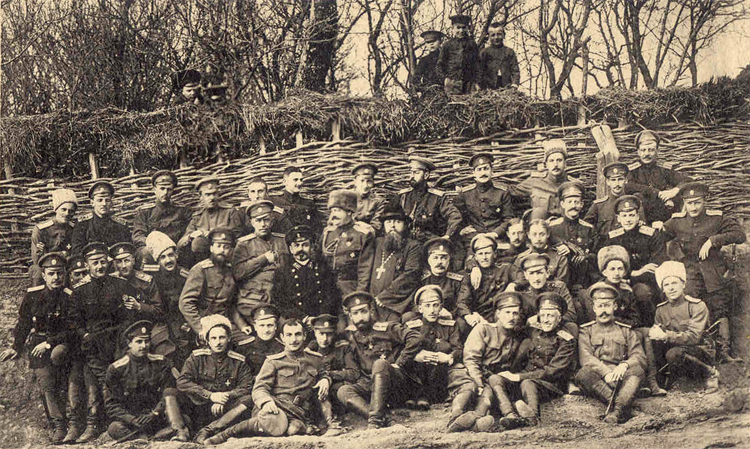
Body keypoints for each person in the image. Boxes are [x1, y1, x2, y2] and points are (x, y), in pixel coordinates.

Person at [204, 319, 334, 443]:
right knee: (274, 422)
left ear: (305, 336)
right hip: (275, 406)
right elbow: (259, 388)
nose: (293, 339)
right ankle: (224, 435)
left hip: (298, 411)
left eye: (298, 334)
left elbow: (324, 373)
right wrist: (266, 401)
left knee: (294, 429)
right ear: (282, 338)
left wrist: (325, 380)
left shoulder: (315, 359)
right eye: (289, 335)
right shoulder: (273, 361)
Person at [0, 253, 82, 444]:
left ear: (65, 275)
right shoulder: (33, 295)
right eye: (51, 273)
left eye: (60, 273)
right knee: (45, 381)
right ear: (43, 275)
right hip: (38, 345)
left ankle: (72, 422)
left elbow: (72, 329)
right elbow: (24, 323)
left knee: (59, 361)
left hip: (62, 344)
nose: (56, 278)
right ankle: (58, 425)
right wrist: (16, 347)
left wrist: (48, 343)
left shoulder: (70, 297)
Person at [661, 182, 746, 363]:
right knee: (688, 305)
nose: (693, 207)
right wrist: (675, 254)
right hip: (690, 272)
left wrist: (713, 240)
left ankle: (724, 352)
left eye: (697, 202)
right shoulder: (677, 220)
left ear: (704, 201)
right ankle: (693, 351)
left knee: (719, 307)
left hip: (713, 270)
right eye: (689, 203)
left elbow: (740, 235)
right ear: (684, 202)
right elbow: (661, 236)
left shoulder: (716, 218)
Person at [69, 242, 142, 443]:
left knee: (121, 379)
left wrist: (123, 342)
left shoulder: (120, 285)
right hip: (93, 346)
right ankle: (98, 425)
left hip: (117, 342)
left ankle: (121, 423)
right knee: (101, 381)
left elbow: (128, 317)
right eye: (95, 263)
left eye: (102, 261)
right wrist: (85, 336)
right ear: (86, 265)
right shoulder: (80, 290)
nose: (100, 266)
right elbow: (74, 321)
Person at [336, 291, 422, 428]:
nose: (360, 318)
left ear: (371, 311)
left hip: (396, 386)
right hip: (371, 386)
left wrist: (399, 363)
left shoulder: (387, 328)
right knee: (343, 391)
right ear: (350, 316)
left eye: (363, 311)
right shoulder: (351, 337)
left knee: (380, 364)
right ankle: (386, 418)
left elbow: (415, 337)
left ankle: (374, 421)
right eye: (356, 314)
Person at [590, 246, 666, 397]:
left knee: (646, 333)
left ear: (625, 272)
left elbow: (635, 318)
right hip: (602, 332)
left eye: (620, 269)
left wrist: (623, 326)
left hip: (625, 330)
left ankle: (651, 382)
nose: (616, 273)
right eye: (612, 269)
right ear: (604, 272)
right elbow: (595, 318)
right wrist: (619, 323)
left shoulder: (627, 291)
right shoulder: (596, 291)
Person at [103, 320, 189, 442]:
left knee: (185, 419)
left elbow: (169, 392)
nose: (144, 346)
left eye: (146, 341)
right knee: (114, 428)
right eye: (139, 342)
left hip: (157, 416)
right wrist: (131, 419)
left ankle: (151, 437)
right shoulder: (116, 369)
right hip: (134, 421)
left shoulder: (161, 362)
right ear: (129, 344)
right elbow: (111, 405)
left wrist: (155, 413)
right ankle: (152, 437)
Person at [454, 292, 527, 432]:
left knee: (492, 387)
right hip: (482, 380)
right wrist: (479, 383)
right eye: (507, 312)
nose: (511, 317)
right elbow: (471, 359)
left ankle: (475, 421)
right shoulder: (484, 330)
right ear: (498, 313)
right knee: (487, 392)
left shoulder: (519, 336)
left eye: (515, 313)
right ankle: (506, 415)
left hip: (503, 383)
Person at [575, 283, 646, 424]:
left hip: (622, 377)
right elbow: (586, 357)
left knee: (637, 370)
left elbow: (639, 355)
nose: (603, 311)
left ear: (615, 307)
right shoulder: (586, 331)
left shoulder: (626, 330)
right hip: (600, 378)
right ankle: (623, 409)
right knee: (583, 373)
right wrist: (606, 373)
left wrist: (624, 365)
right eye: (600, 306)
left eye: (607, 306)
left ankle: (616, 412)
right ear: (594, 308)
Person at [177, 315, 253, 443]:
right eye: (214, 338)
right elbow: (182, 381)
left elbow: (246, 387)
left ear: (229, 338)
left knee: (248, 400)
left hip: (226, 410)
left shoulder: (238, 361)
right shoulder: (196, 358)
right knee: (174, 394)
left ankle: (209, 430)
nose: (218, 342)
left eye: (222, 337)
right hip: (200, 406)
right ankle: (181, 431)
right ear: (207, 340)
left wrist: (225, 396)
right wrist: (210, 395)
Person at [510, 292, 577, 428]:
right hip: (525, 379)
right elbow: (515, 329)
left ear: (559, 318)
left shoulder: (566, 338)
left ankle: (533, 419)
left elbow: (553, 371)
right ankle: (509, 416)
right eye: (543, 315)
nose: (546, 320)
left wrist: (519, 376)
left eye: (551, 316)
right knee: (497, 380)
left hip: (550, 385)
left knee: (527, 383)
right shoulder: (533, 330)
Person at [649, 261, 717, 392]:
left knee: (673, 354)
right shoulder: (661, 310)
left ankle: (710, 372)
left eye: (674, 283)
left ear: (683, 284)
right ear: (663, 289)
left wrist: (666, 335)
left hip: (699, 349)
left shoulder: (697, 306)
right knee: (653, 343)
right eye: (666, 284)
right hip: (677, 350)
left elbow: (694, 338)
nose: (671, 288)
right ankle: (659, 381)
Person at [604, 195, 668, 325]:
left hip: (645, 283)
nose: (628, 220)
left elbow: (655, 267)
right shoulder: (612, 238)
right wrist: (636, 273)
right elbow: (606, 265)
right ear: (618, 218)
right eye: (624, 216)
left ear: (638, 216)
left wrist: (630, 277)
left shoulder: (651, 235)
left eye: (632, 215)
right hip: (617, 281)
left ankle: (647, 327)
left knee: (642, 293)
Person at [232, 200, 289, 338]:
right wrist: (262, 259)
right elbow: (238, 273)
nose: (263, 224)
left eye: (266, 220)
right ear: (251, 222)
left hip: (279, 299)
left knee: (288, 330)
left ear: (272, 221)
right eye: (258, 220)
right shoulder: (243, 244)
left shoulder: (283, 241)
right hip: (253, 301)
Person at [404, 285, 464, 409]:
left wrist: (448, 357)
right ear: (420, 308)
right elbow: (401, 349)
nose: (432, 310)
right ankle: (415, 395)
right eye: (427, 306)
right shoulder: (412, 327)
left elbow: (458, 349)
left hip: (439, 375)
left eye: (436, 305)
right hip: (417, 373)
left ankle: (427, 396)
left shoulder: (450, 326)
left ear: (441, 307)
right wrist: (416, 356)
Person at [454, 152, 513, 268]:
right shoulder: (465, 194)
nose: (483, 173)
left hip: (496, 237)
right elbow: (456, 216)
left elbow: (508, 218)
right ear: (474, 174)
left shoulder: (502, 192)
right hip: (473, 237)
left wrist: (495, 233)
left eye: (486, 169)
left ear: (492, 171)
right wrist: (462, 229)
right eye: (479, 170)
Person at [271, 225, 341, 320]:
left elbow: (331, 297)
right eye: (296, 245)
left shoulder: (323, 269)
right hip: (296, 320)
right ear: (291, 249)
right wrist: (304, 318)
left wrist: (319, 317)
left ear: (311, 247)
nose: (300, 249)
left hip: (322, 319)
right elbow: (281, 302)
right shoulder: (282, 272)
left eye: (305, 245)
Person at [365, 201, 422, 317]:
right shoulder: (376, 243)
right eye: (389, 222)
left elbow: (410, 275)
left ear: (405, 225)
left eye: (398, 221)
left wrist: (384, 297)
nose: (393, 225)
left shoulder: (412, 246)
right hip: (371, 301)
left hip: (396, 302)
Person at [178, 228, 237, 339]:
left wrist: (242, 325)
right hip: (205, 322)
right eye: (218, 246)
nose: (222, 250)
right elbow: (185, 303)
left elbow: (231, 304)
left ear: (230, 251)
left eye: (226, 247)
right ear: (211, 248)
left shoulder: (230, 270)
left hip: (226, 323)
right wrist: (200, 328)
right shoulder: (200, 269)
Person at [627, 130, 693, 222]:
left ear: (657, 151)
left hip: (664, 216)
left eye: (651, 150)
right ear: (638, 152)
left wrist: (674, 190)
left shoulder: (664, 169)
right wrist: (655, 192)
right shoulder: (633, 170)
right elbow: (629, 186)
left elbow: (688, 181)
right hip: (641, 218)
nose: (646, 154)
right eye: (643, 150)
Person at [144, 231, 191, 361]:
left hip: (181, 319)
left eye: (171, 255)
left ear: (176, 255)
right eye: (163, 257)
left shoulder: (186, 276)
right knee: (162, 348)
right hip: (160, 320)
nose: (168, 260)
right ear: (157, 261)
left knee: (184, 348)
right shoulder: (152, 276)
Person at [306, 314, 358, 428]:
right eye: (321, 334)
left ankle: (332, 421)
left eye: (329, 334)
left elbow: (353, 373)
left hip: (336, 393)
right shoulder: (310, 349)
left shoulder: (343, 348)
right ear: (314, 333)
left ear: (334, 333)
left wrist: (329, 376)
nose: (325, 339)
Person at [177, 177, 244, 263]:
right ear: (201, 197)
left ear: (218, 194)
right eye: (208, 195)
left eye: (214, 194)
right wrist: (191, 236)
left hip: (226, 258)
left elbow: (237, 237)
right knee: (197, 243)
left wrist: (213, 233)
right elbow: (180, 244)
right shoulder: (197, 217)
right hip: (203, 262)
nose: (212, 198)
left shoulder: (230, 212)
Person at [398, 155, 462, 245]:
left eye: (416, 173)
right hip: (405, 243)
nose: (412, 176)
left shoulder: (437, 197)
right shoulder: (403, 196)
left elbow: (454, 216)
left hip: (428, 243)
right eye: (411, 172)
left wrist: (447, 235)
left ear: (426, 175)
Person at [132, 170, 192, 265]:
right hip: (153, 250)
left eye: (169, 189)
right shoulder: (144, 212)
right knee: (144, 253)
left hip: (176, 250)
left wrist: (184, 240)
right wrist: (154, 245)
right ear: (154, 189)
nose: (165, 192)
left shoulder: (181, 210)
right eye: (162, 188)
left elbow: (191, 228)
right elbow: (138, 235)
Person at [321, 189, 374, 295]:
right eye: (332, 211)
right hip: (326, 289)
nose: (333, 215)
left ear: (350, 212)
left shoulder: (363, 234)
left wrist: (359, 294)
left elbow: (365, 269)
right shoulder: (328, 232)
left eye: (338, 211)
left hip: (350, 289)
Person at [410, 237, 469, 332]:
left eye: (444, 258)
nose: (439, 262)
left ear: (449, 260)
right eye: (435, 258)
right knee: (408, 318)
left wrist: (449, 313)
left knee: (461, 324)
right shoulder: (421, 280)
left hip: (449, 318)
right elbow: (413, 304)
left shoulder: (457, 280)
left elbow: (461, 303)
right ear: (429, 261)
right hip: (426, 318)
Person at [510, 139, 575, 220]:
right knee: (539, 212)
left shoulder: (572, 185)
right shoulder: (534, 181)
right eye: (551, 161)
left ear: (565, 163)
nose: (555, 164)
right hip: (539, 228)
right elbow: (512, 191)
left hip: (563, 228)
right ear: (546, 164)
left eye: (559, 160)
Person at [457, 234, 514, 324]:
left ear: (494, 254)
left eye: (487, 253)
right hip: (479, 317)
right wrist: (468, 316)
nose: (484, 257)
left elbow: (522, 277)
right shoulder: (469, 275)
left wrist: (513, 285)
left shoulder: (505, 268)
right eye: (480, 254)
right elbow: (462, 302)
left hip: (500, 315)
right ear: (475, 257)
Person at [549, 181, 597, 289]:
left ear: (582, 204)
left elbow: (595, 254)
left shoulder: (589, 228)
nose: (573, 206)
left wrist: (585, 256)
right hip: (558, 281)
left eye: (576, 202)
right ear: (562, 204)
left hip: (583, 282)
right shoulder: (552, 228)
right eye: (569, 202)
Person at [511, 252, 578, 325]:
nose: (536, 278)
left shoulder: (559, 288)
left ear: (547, 273)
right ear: (526, 275)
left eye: (540, 273)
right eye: (531, 273)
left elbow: (571, 315)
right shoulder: (521, 293)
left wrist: (539, 318)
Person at [584, 162, 646, 240]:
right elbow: (585, 229)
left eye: (620, 179)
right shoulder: (598, 206)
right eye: (613, 180)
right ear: (608, 182)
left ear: (626, 180)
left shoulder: (635, 203)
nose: (617, 184)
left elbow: (643, 227)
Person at [29, 188, 77, 285]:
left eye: (71, 211)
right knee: (37, 271)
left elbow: (76, 253)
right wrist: (62, 254)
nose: (67, 214)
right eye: (63, 209)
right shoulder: (41, 229)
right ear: (56, 209)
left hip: (67, 266)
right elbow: (37, 259)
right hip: (48, 267)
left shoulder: (75, 229)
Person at [71, 181, 131, 256]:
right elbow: (77, 250)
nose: (104, 204)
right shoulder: (82, 224)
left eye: (107, 200)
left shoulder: (121, 225)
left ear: (111, 203)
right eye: (100, 200)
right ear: (92, 203)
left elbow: (127, 249)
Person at [110, 242, 164, 324]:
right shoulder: (111, 281)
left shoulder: (146, 281)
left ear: (133, 261)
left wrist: (139, 306)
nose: (123, 266)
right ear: (114, 264)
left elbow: (159, 310)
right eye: (119, 262)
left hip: (144, 322)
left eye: (127, 261)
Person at [512, 219, 569, 286]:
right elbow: (519, 282)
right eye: (534, 234)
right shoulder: (521, 259)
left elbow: (560, 284)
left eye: (542, 234)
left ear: (548, 234)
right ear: (528, 235)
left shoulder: (559, 257)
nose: (538, 238)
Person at [233, 305, 285, 376]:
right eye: (262, 325)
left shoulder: (283, 348)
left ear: (275, 326)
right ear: (255, 326)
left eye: (270, 325)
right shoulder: (244, 348)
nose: (266, 330)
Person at [271, 166, 323, 235]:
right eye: (295, 180)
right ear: (285, 182)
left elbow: (317, 229)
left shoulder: (308, 204)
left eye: (301, 180)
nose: (299, 183)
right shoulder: (275, 202)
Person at [437, 14, 480, 95]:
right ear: (453, 28)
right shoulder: (447, 45)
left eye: (464, 27)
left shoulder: (472, 44)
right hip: (453, 83)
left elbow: (477, 64)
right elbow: (440, 65)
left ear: (467, 28)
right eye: (458, 28)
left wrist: (477, 82)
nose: (461, 31)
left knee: (470, 105)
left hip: (469, 84)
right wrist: (445, 79)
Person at [478, 23, 520, 90]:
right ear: (488, 37)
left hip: (506, 87)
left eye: (499, 34)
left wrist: (514, 84)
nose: (496, 37)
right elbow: (479, 71)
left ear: (504, 35)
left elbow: (515, 70)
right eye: (493, 35)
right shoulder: (484, 52)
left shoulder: (509, 52)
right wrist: (479, 85)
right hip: (488, 88)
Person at [351, 163, 386, 235]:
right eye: (362, 181)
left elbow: (376, 226)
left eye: (369, 181)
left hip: (367, 237)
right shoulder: (346, 197)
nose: (365, 186)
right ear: (355, 181)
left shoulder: (378, 201)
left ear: (373, 182)